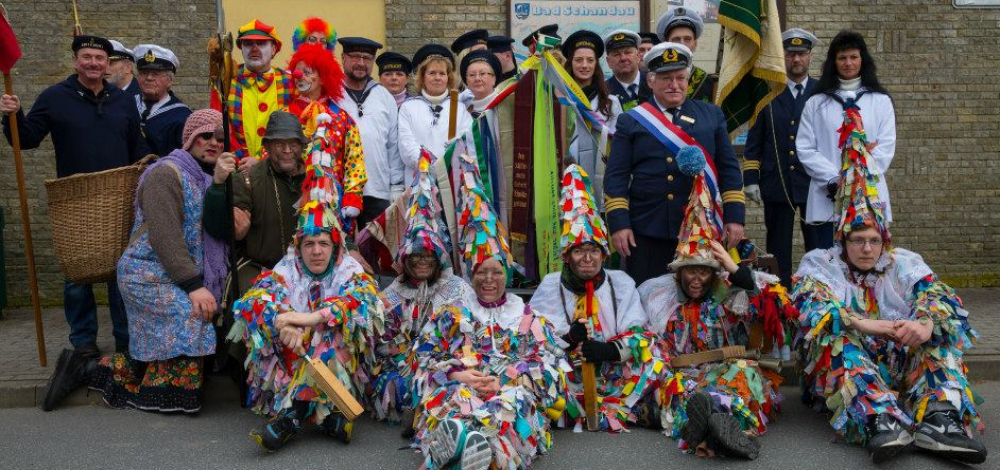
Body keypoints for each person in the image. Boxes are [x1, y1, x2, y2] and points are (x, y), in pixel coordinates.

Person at [792, 101, 986, 464]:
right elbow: (811, 305)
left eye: (874, 241)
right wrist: (864, 323)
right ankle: (878, 419)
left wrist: (926, 324)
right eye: (857, 240)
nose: (866, 249)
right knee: (835, 339)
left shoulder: (904, 262)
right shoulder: (820, 263)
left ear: (885, 240)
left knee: (940, 342)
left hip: (897, 356)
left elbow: (936, 295)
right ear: (842, 239)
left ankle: (940, 420)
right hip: (850, 361)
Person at [2, 36, 147, 405]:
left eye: (100, 58)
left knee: (120, 271)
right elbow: (28, 139)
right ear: (76, 61)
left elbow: (136, 144)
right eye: (87, 57)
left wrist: (147, 168)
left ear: (109, 63)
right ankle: (83, 342)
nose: (94, 63)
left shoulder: (123, 100)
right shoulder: (54, 96)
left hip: (116, 199)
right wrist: (13, 116)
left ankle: (125, 342)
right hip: (74, 201)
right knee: (75, 275)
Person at [231, 112, 384, 452]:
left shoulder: (348, 269)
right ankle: (328, 418)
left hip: (338, 362)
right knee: (284, 334)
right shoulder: (290, 267)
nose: (316, 251)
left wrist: (307, 318)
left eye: (324, 244)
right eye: (309, 244)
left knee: (328, 337)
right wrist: (281, 318)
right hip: (296, 354)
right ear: (298, 246)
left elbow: (362, 300)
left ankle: (292, 418)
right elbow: (255, 299)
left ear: (336, 246)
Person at [638, 145, 797, 459]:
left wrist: (735, 270)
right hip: (684, 375)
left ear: (714, 274)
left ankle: (709, 433)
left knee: (744, 377)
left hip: (727, 370)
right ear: (678, 273)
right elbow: (647, 344)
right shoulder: (659, 298)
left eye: (703, 272)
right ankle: (724, 432)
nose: (696, 279)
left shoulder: (731, 295)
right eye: (690, 272)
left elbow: (778, 310)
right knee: (677, 392)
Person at [413, 153, 569, 470]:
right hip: (462, 390)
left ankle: (462, 450)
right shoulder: (449, 315)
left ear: (507, 276)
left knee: (514, 405)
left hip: (508, 394)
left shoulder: (528, 318)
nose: (488, 279)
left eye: (496, 272)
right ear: (471, 275)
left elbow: (551, 367)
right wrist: (457, 374)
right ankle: (468, 446)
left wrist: (505, 381)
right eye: (481, 272)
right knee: (453, 401)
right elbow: (422, 360)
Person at [86, 109, 229, 414]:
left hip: (175, 273)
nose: (213, 143)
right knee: (193, 318)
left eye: (219, 137)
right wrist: (194, 286)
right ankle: (144, 388)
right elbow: (166, 235)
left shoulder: (207, 176)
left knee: (184, 328)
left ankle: (132, 379)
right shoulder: (166, 173)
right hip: (147, 272)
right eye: (206, 136)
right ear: (190, 138)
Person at [529, 164, 663, 432]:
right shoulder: (550, 285)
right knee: (532, 371)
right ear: (567, 256)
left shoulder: (620, 283)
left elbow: (640, 332)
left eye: (594, 251)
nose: (588, 259)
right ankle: (630, 411)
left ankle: (632, 407)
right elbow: (534, 341)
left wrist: (609, 350)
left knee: (655, 357)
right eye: (579, 251)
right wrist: (569, 340)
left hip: (613, 372)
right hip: (569, 375)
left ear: (604, 255)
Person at [604, 42, 745, 286]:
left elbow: (729, 169)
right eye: (666, 78)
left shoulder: (711, 115)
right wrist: (619, 224)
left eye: (680, 77)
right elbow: (616, 176)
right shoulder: (632, 120)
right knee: (647, 296)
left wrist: (735, 218)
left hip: (699, 228)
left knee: (699, 299)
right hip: (648, 228)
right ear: (650, 81)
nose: (674, 85)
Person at [372, 149, 474, 429]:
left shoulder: (456, 289)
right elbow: (380, 339)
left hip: (445, 362)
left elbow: (465, 336)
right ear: (405, 260)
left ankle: (431, 416)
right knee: (395, 384)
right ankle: (418, 413)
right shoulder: (393, 292)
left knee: (448, 379)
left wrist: (436, 358)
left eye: (428, 256)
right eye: (415, 256)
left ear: (438, 258)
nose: (421, 261)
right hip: (403, 364)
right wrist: (403, 353)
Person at [743, 29, 828, 286]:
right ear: (784, 58)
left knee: (819, 247)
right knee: (778, 247)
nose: (796, 60)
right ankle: (780, 299)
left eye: (801, 54)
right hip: (777, 183)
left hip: (815, 185)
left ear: (810, 56)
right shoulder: (769, 92)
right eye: (791, 54)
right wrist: (751, 179)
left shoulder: (823, 92)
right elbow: (754, 142)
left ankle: (820, 295)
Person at [797, 30, 896, 230]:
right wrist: (836, 180)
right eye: (842, 58)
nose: (848, 63)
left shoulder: (881, 101)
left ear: (862, 60)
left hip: (868, 196)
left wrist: (856, 178)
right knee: (826, 258)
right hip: (828, 196)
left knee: (865, 255)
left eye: (853, 57)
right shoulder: (816, 103)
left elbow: (885, 147)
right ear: (833, 62)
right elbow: (805, 148)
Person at [203, 111, 308, 296]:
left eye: (293, 143)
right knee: (258, 307)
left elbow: (333, 224)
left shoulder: (316, 179)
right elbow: (228, 229)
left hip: (307, 268)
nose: (287, 150)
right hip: (258, 268)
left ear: (302, 146)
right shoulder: (247, 180)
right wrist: (219, 189)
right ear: (267, 146)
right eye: (279, 143)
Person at [286, 42, 367, 233]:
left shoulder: (342, 118)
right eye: (297, 72)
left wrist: (352, 197)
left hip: (334, 203)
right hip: (293, 202)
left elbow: (354, 161)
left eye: (307, 72)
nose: (300, 77)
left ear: (323, 78)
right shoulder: (285, 116)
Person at [337, 36, 404, 228]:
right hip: (340, 189)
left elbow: (393, 144)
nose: (361, 63)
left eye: (366, 58)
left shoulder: (384, 96)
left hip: (377, 190)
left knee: (376, 251)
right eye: (355, 57)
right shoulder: (333, 94)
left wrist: (395, 187)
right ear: (343, 58)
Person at [561, 29, 622, 211]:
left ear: (596, 64)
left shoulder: (611, 103)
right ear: (570, 63)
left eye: (590, 60)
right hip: (566, 179)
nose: (584, 65)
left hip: (600, 180)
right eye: (579, 60)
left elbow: (617, 145)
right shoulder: (559, 100)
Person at [398, 44, 472, 185]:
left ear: (448, 78)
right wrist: (429, 166)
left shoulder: (459, 108)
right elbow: (406, 144)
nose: (437, 77)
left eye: (442, 73)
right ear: (422, 77)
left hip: (452, 181)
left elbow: (467, 141)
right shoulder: (408, 107)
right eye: (432, 73)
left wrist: (449, 163)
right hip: (419, 181)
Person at [221, 19, 291, 163]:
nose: (254, 48)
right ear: (241, 48)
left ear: (273, 49)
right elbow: (221, 125)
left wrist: (262, 160)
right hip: (237, 167)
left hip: (278, 166)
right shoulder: (227, 80)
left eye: (261, 43)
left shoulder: (290, 83)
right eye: (248, 43)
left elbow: (293, 130)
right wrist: (241, 160)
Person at [134, 44, 192, 157]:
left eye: (156, 74)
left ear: (170, 81)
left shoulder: (182, 116)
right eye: (144, 73)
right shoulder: (126, 105)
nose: (149, 78)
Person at [656, 7, 715, 103]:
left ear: (695, 44)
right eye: (676, 39)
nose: (682, 44)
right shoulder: (655, 79)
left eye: (687, 39)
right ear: (666, 44)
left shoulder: (706, 80)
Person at [604, 29, 650, 112]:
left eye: (628, 52)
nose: (623, 58)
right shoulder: (603, 92)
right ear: (608, 62)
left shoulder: (655, 84)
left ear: (638, 56)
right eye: (616, 54)